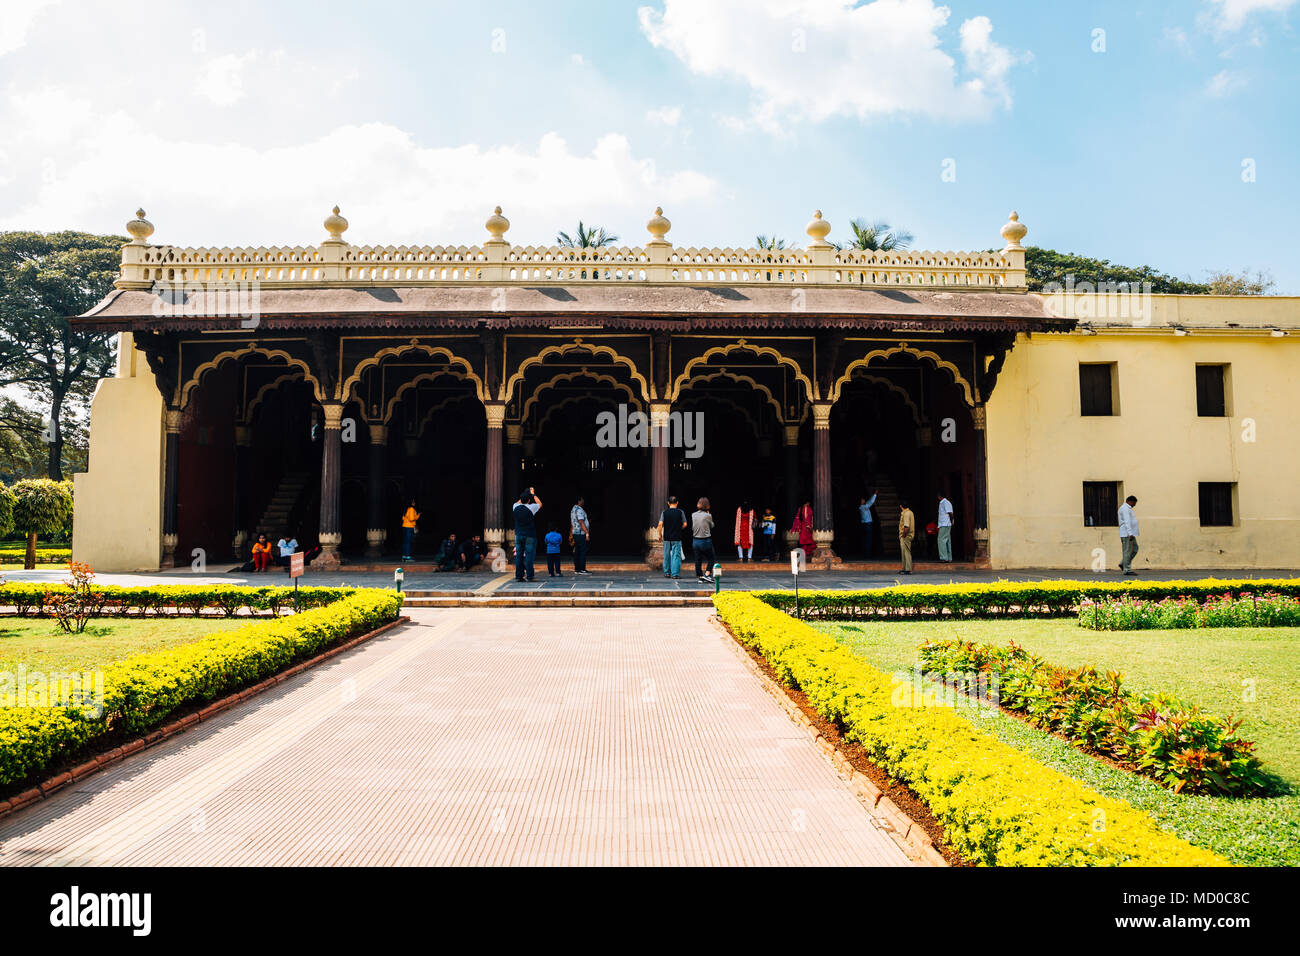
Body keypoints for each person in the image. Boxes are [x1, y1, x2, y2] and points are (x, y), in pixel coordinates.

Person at [513, 487, 542, 582]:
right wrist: (533, 494)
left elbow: (519, 501)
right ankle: (530, 576)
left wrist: (525, 493)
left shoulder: (515, 506)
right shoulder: (531, 507)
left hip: (518, 535)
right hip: (529, 535)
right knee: (529, 556)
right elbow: (540, 504)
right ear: (529, 500)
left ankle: (519, 576)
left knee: (519, 556)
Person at [657, 494, 688, 579]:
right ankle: (675, 574)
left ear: (668, 503)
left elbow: (660, 524)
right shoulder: (680, 512)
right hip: (677, 537)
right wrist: (679, 528)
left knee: (666, 555)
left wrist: (660, 535)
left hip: (667, 537)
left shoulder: (664, 512)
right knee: (676, 556)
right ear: (677, 503)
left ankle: (667, 573)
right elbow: (685, 524)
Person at [691, 497, 716, 584]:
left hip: (695, 540)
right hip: (705, 540)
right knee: (711, 558)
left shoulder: (693, 514)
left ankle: (700, 576)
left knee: (698, 559)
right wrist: (709, 515)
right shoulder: (708, 515)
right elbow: (712, 526)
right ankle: (707, 574)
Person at [1118, 495, 1140, 576]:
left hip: (1130, 533)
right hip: (1127, 533)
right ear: (1130, 501)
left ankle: (1123, 563)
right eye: (1134, 503)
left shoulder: (1127, 508)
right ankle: (1126, 569)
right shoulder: (1125, 508)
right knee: (1127, 551)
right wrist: (1130, 533)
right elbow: (1127, 521)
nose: (1135, 505)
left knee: (1134, 549)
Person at [570, 496, 591, 575]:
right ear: (579, 501)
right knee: (582, 551)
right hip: (580, 533)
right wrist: (587, 533)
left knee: (577, 551)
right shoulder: (578, 510)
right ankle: (582, 569)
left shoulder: (573, 509)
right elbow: (581, 522)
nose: (583, 501)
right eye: (582, 500)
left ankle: (577, 569)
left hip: (576, 533)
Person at [898, 499, 915, 574]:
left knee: (906, 552)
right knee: (904, 552)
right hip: (908, 535)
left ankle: (908, 569)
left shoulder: (906, 514)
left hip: (906, 535)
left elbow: (906, 526)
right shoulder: (910, 512)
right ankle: (904, 568)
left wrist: (903, 536)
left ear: (901, 506)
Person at [936, 492, 954, 562]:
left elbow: (950, 513)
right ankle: (949, 558)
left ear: (939, 496)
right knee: (947, 541)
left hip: (945, 524)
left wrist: (951, 521)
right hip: (944, 524)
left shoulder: (945, 503)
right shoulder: (942, 503)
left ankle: (944, 558)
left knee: (941, 540)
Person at [859, 492, 878, 559]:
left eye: (864, 500)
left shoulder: (864, 506)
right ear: (860, 502)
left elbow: (869, 501)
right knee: (868, 540)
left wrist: (873, 495)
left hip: (866, 525)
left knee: (867, 539)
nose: (864, 501)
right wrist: (875, 494)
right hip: (867, 525)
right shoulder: (863, 507)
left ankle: (867, 554)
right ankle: (867, 555)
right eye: (862, 500)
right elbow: (871, 502)